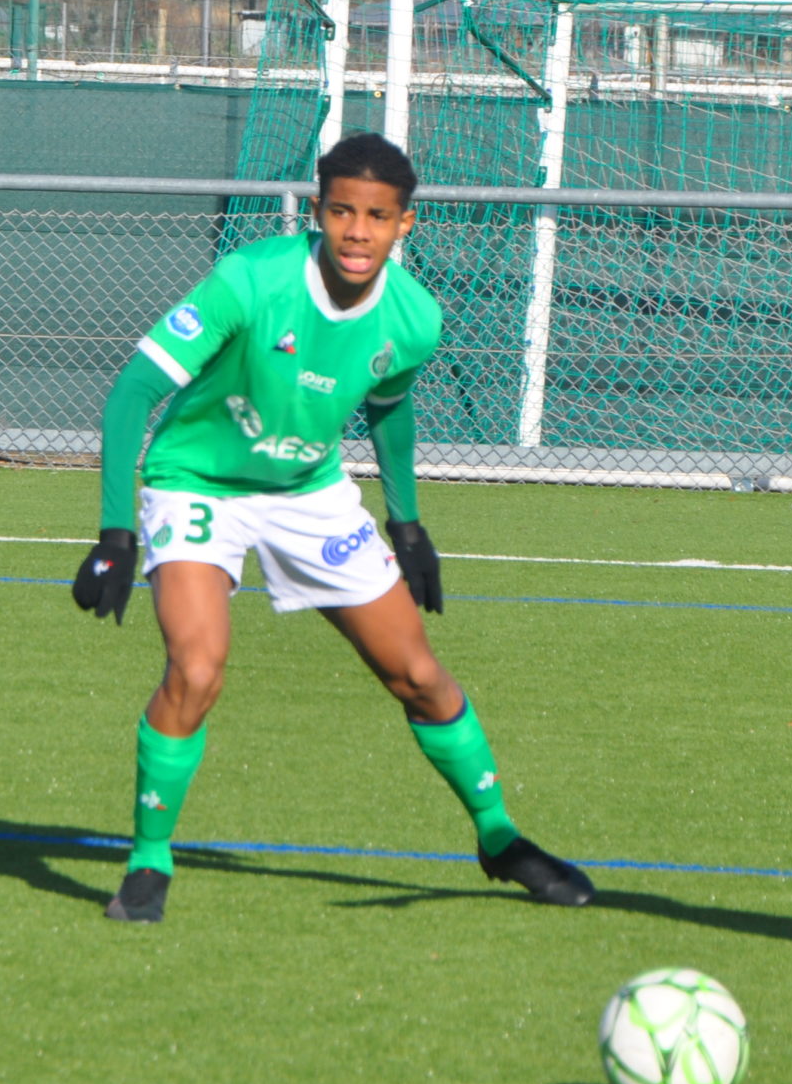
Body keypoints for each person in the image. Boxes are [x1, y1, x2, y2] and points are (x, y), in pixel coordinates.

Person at [72, 132, 593, 924]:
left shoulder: (415, 319)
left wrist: (408, 523)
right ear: (317, 212)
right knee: (198, 668)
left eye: (377, 217)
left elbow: (389, 408)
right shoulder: (252, 280)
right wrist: (116, 532)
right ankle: (149, 862)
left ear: (403, 226)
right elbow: (132, 392)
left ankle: (499, 838)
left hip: (310, 493)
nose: (357, 231)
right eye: (342, 211)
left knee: (417, 674)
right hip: (197, 485)